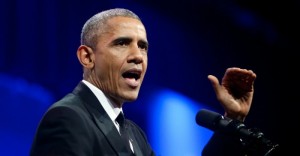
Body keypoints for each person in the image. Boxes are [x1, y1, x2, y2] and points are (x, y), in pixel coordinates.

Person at [30, 8, 257, 156]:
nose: (138, 56)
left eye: (143, 47)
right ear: (87, 57)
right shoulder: (68, 117)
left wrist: (232, 122)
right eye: (121, 43)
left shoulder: (134, 134)